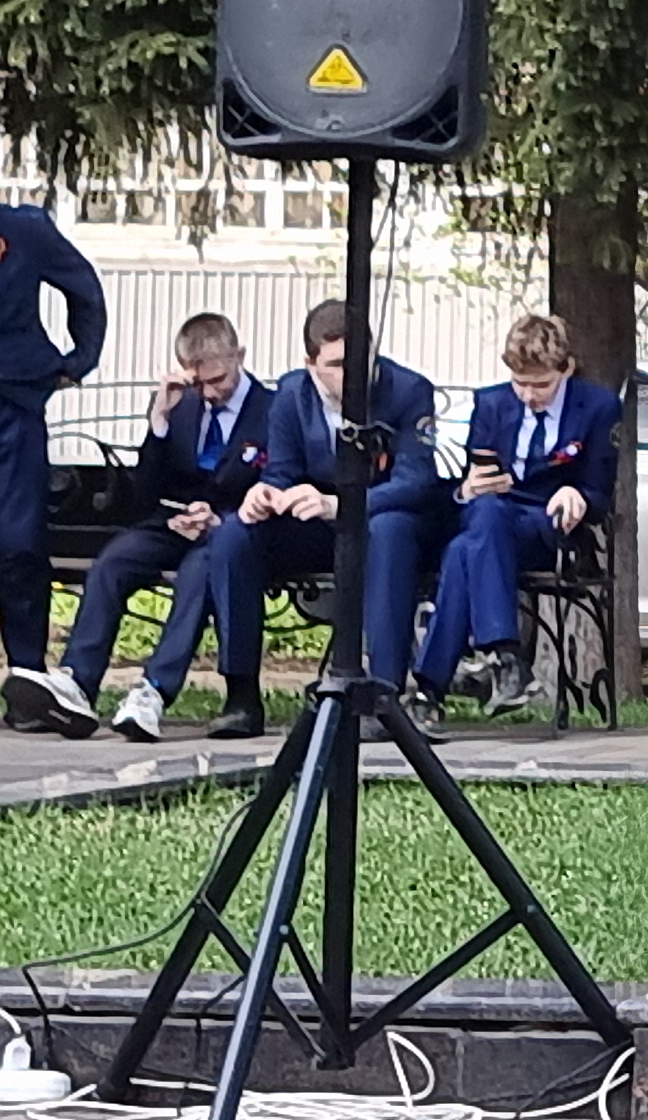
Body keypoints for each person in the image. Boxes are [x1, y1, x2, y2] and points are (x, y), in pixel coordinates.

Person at [37, 316, 272, 741]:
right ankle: (78, 679)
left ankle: (154, 689)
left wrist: (221, 518)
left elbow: (273, 482)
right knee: (114, 561)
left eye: (218, 380)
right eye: (198, 383)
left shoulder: (271, 410)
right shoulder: (182, 405)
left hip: (230, 528)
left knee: (199, 574)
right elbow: (145, 493)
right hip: (174, 521)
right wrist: (159, 423)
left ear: (239, 356)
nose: (209, 393)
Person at [224, 301, 453, 732]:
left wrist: (342, 505)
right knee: (236, 534)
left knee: (389, 529)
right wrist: (266, 493)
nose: (351, 376)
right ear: (310, 363)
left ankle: (383, 693)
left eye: (359, 361)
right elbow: (282, 470)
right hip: (316, 523)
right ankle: (241, 696)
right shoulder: (292, 393)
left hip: (383, 517)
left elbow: (416, 480)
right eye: (336, 365)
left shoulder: (408, 391)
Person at [408, 313, 617, 723]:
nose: (528, 395)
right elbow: (470, 481)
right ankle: (502, 660)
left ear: (566, 369)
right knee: (479, 525)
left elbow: (599, 488)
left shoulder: (597, 406)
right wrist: (467, 490)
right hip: (491, 519)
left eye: (541, 385)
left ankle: (438, 686)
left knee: (466, 547)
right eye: (520, 383)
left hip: (548, 524)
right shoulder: (492, 403)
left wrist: (577, 494)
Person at [0, 196, 108, 732]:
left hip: (13, 402)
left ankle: (27, 682)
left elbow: (84, 289)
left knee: (19, 543)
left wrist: (78, 361)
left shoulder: (24, 229)